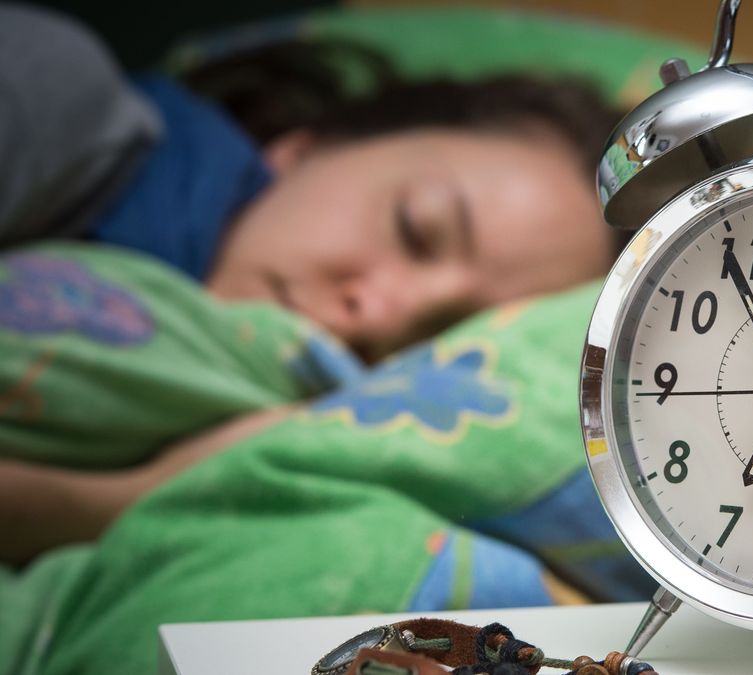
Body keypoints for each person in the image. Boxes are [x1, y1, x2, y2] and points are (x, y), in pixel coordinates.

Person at [0, 5, 628, 564]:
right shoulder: (56, 98)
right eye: (415, 229)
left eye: (444, 333)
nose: (382, 315)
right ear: (305, 148)